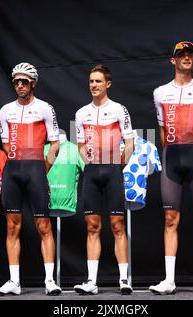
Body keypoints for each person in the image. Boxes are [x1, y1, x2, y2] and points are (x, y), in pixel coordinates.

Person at [150, 41, 193, 295]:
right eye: (181, 54)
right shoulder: (159, 93)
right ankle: (169, 280)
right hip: (171, 154)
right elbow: (161, 129)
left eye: (190, 54)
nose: (187, 57)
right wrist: (170, 150)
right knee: (170, 219)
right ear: (173, 60)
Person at [0, 62, 62, 296]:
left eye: (24, 81)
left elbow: (55, 144)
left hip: (35, 170)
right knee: (12, 227)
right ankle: (14, 281)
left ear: (33, 83)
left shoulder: (45, 108)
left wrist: (41, 168)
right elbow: (4, 142)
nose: (20, 85)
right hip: (12, 170)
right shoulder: (5, 110)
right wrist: (18, 158)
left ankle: (50, 281)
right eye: (16, 82)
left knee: (44, 225)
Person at [74, 64, 134, 295]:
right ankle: (91, 282)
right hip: (91, 172)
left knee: (118, 225)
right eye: (91, 81)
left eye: (98, 81)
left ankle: (123, 279)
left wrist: (117, 167)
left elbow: (130, 144)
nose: (94, 85)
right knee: (92, 227)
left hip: (113, 171)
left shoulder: (119, 109)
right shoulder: (81, 113)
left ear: (107, 84)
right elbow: (80, 145)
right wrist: (89, 163)